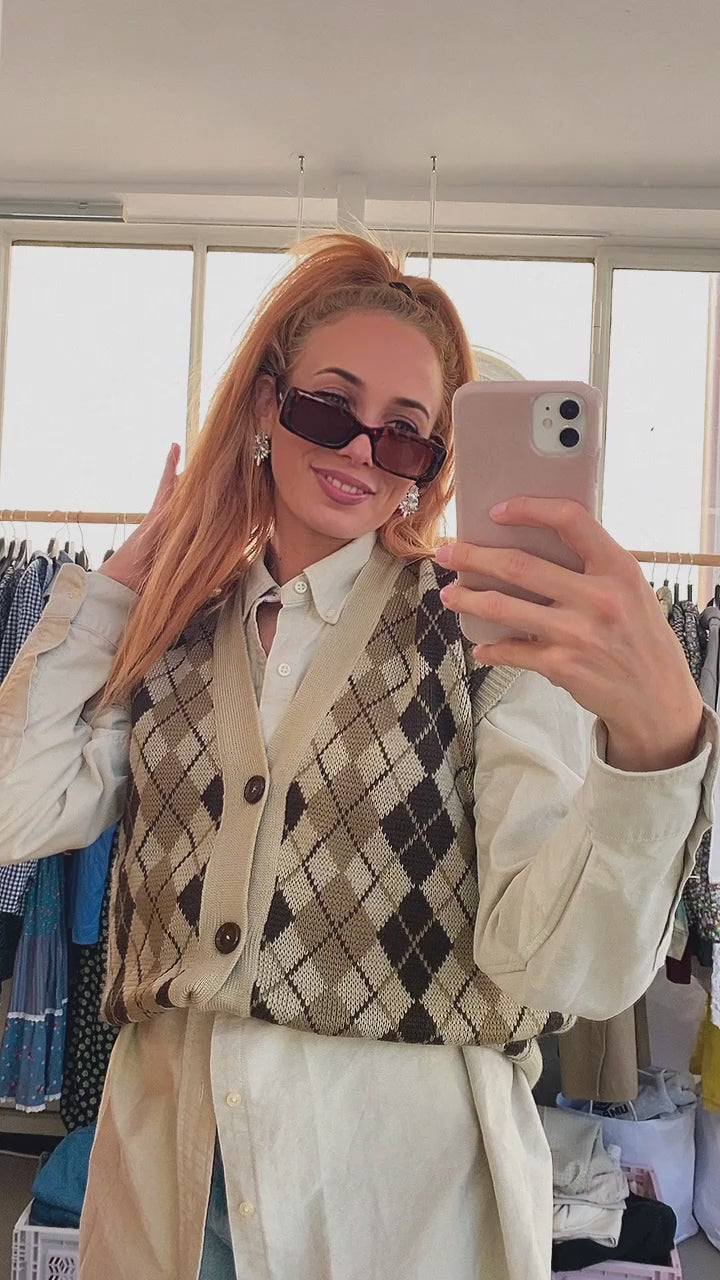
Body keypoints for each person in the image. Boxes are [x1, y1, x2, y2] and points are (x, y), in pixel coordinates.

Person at [0, 232, 715, 1280]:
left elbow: (564, 965)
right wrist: (115, 592)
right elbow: (17, 810)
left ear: (432, 464)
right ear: (265, 406)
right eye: (328, 409)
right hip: (165, 1181)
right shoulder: (177, 629)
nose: (360, 451)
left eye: (406, 436)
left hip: (394, 1200)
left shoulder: (482, 636)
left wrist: (653, 753)